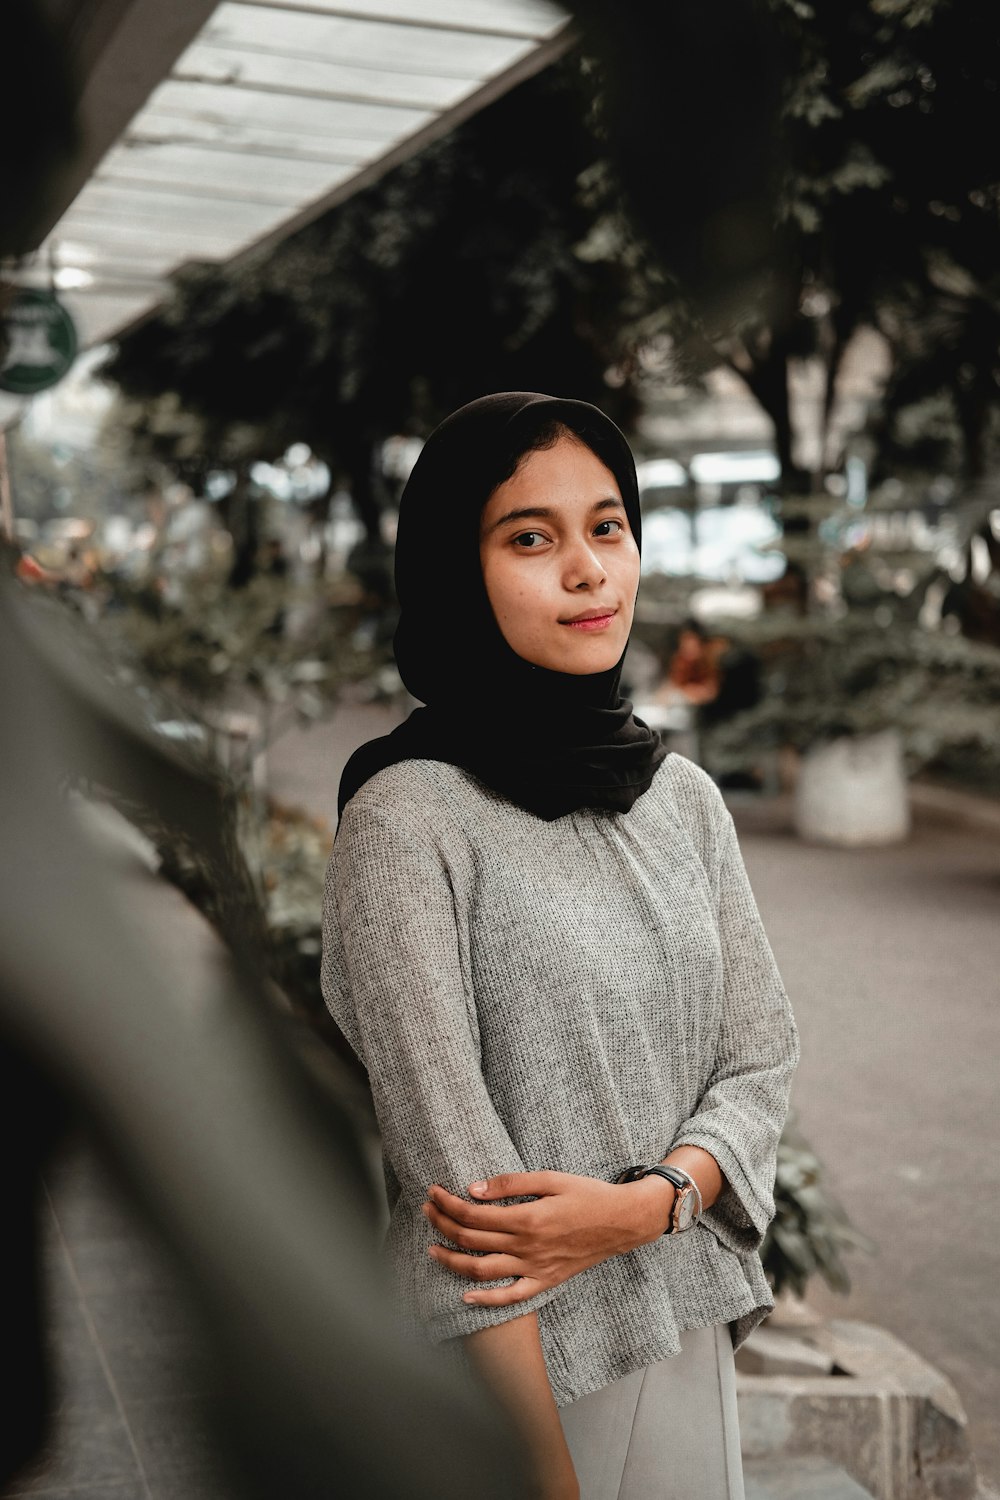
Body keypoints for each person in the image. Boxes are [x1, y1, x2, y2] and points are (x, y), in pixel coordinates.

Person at [321, 392, 799, 1500]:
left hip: (679, 1325)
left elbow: (760, 1057)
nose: (589, 570)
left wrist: (649, 1204)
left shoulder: (680, 798)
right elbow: (462, 1201)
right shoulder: (406, 822)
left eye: (607, 526)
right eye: (530, 537)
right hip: (509, 1382)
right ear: (455, 570)